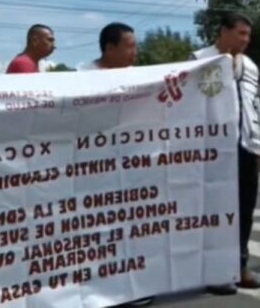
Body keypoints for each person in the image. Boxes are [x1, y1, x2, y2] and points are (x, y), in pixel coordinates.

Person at [192, 11, 260, 293]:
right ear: (223, 31)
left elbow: (255, 106)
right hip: (212, 150)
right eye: (241, 34)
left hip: (246, 145)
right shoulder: (198, 60)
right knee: (215, 210)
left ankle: (238, 266)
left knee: (244, 210)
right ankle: (212, 271)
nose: (246, 40)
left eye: (248, 35)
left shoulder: (250, 66)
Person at [78, 23, 150, 308]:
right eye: (130, 46)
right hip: (94, 171)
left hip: (130, 167)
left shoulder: (138, 77)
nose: (136, 52)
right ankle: (100, 290)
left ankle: (130, 287)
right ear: (109, 48)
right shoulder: (82, 77)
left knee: (131, 229)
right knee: (99, 232)